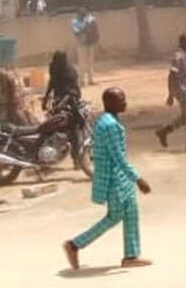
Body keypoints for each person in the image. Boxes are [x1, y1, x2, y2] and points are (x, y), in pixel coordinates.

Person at [63, 87, 152, 271]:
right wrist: (138, 179)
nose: (125, 102)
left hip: (121, 178)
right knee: (114, 216)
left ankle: (131, 255)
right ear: (110, 103)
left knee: (131, 213)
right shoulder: (109, 125)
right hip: (113, 179)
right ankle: (74, 245)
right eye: (121, 100)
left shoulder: (108, 119)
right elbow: (118, 157)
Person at [155, 34, 186, 152]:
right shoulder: (178, 57)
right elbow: (172, 75)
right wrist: (171, 94)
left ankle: (164, 131)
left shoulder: (185, 56)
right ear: (183, 43)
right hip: (182, 91)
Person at [71, 7, 99, 86]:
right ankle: (81, 80)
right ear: (78, 14)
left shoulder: (89, 19)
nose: (84, 14)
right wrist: (85, 26)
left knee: (90, 62)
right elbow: (76, 31)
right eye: (82, 13)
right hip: (81, 44)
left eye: (85, 13)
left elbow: (94, 26)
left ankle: (91, 80)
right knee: (81, 63)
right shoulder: (75, 21)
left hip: (90, 43)